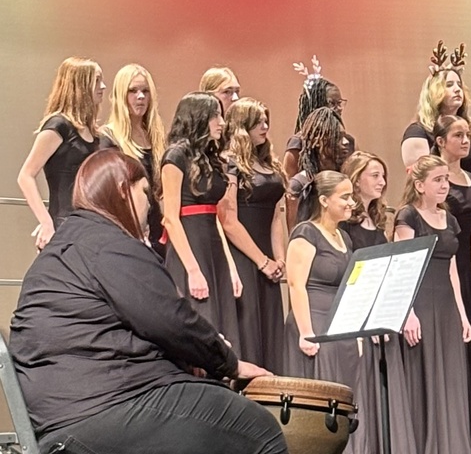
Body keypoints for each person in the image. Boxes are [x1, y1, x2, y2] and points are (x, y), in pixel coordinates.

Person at [10, 149, 285, 454]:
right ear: (123, 190)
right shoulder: (109, 245)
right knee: (259, 429)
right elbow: (171, 320)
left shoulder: (59, 252)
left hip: (63, 416)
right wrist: (228, 362)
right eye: (144, 193)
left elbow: (112, 329)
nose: (149, 207)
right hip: (104, 408)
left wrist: (186, 361)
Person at [394, 155, 471, 453]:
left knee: (450, 377)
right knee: (424, 374)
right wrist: (408, 312)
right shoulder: (408, 216)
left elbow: (452, 268)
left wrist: (462, 314)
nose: (444, 184)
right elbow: (403, 266)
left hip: (445, 303)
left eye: (446, 179)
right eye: (437, 180)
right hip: (421, 302)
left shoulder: (449, 218)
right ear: (419, 185)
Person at [340, 151, 417, 453]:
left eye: (384, 176)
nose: (382, 182)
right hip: (362, 318)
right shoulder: (346, 226)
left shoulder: (379, 220)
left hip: (384, 318)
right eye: (375, 175)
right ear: (356, 179)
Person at [161, 91, 241, 350]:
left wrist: (230, 266)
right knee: (200, 320)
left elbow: (215, 215)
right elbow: (171, 219)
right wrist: (193, 271)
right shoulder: (175, 156)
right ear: (198, 118)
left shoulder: (209, 158)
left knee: (223, 324)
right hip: (190, 249)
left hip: (213, 249)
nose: (221, 122)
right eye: (214, 115)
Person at [282, 171, 365, 413]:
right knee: (323, 395)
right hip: (315, 322)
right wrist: (306, 332)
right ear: (324, 200)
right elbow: (296, 285)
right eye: (345, 197)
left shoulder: (344, 238)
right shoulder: (306, 233)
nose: (352, 202)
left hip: (341, 325)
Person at [432, 115, 471, 444]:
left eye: (468, 135)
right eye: (458, 135)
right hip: (451, 264)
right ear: (440, 141)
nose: (466, 141)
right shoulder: (436, 179)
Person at [221, 98, 288, 374]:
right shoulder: (229, 164)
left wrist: (279, 259)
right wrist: (261, 261)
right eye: (258, 121)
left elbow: (276, 217)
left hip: (268, 264)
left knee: (272, 333)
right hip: (244, 258)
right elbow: (228, 220)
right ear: (242, 126)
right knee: (248, 328)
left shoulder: (269, 164)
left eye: (266, 120)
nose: (265, 126)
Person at [18, 57, 104, 249]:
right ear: (81, 85)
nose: (103, 86)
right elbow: (25, 175)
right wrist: (46, 223)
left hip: (91, 226)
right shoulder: (59, 126)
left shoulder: (94, 133)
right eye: (97, 80)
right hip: (64, 227)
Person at [401, 40, 471, 184]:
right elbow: (421, 180)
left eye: (459, 85)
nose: (457, 89)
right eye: (449, 85)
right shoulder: (418, 132)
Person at [99, 63, 167, 254]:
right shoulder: (109, 138)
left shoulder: (156, 137)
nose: (140, 97)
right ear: (121, 95)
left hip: (157, 230)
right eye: (133, 91)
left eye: (145, 91)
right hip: (125, 230)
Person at [282, 57, 356, 179]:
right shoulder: (298, 143)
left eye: (340, 103)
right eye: (332, 103)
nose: (339, 108)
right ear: (316, 104)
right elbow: (291, 185)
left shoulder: (348, 141)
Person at [287, 107, 348, 227]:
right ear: (318, 141)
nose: (345, 142)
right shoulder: (300, 184)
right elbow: (295, 233)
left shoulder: (346, 179)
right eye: (338, 137)